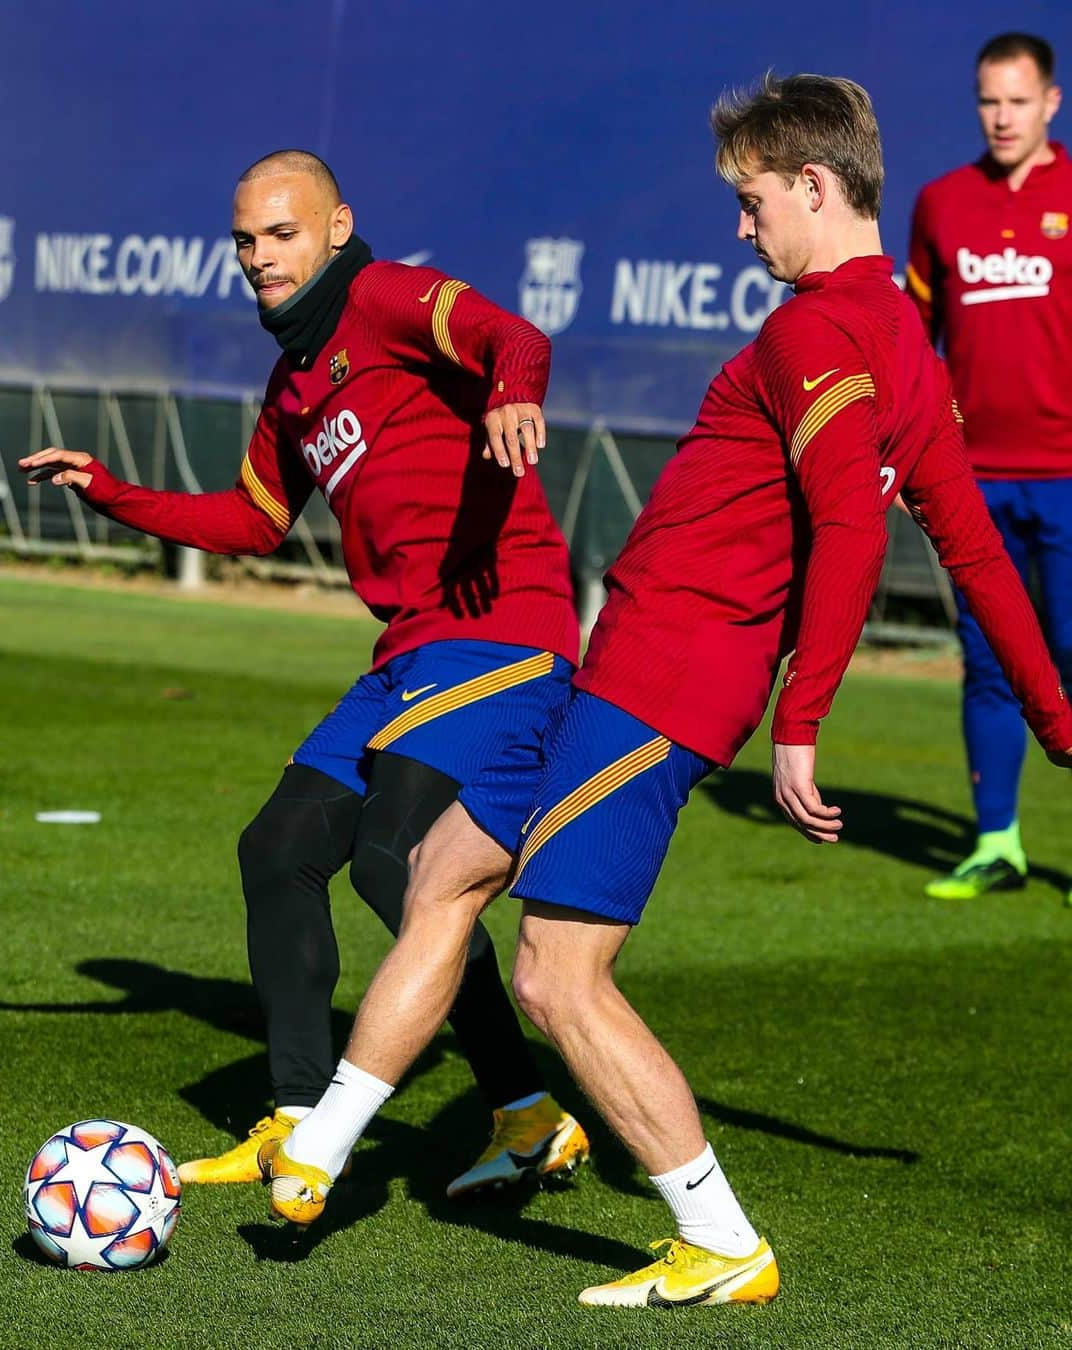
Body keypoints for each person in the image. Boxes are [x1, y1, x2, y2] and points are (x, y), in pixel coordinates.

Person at [258, 76, 1072, 1310]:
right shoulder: (904, 338)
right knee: (439, 872)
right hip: (614, 672)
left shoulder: (817, 331)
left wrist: (804, 724)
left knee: (555, 977)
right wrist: (1063, 725)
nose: (741, 231)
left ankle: (720, 1240)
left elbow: (857, 528)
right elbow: (975, 556)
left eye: (751, 203)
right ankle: (317, 1149)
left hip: (667, 690)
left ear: (812, 186)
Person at [20, 149, 590, 1198]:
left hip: (504, 628)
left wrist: (512, 394)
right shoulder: (292, 381)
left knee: (397, 859)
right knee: (278, 847)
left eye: (281, 234)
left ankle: (525, 1109)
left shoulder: (384, 298)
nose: (259, 257)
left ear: (336, 228)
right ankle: (293, 1114)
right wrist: (110, 491)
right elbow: (250, 519)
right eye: (244, 240)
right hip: (409, 650)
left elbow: (516, 335)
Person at [907, 33, 1072, 901]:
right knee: (990, 659)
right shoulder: (942, 202)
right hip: (974, 480)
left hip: (1068, 475)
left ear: (1051, 101)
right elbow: (914, 343)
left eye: (1017, 100)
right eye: (987, 101)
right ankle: (997, 843)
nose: (1001, 117)